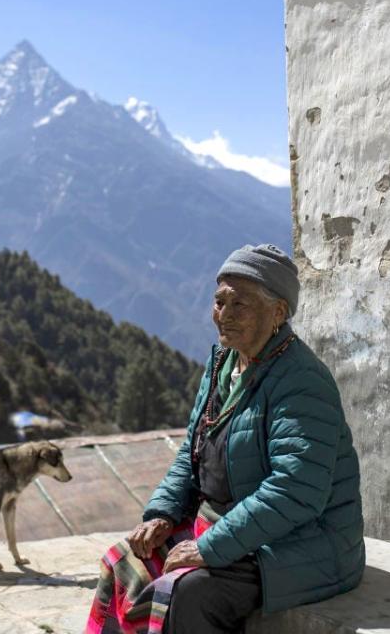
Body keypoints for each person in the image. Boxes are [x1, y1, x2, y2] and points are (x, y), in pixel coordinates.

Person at [86, 244, 365, 634]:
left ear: (278, 313)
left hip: (296, 544)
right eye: (219, 302)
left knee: (185, 593)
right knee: (122, 562)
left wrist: (209, 548)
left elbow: (296, 489)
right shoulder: (225, 362)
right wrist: (163, 513)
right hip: (229, 528)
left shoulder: (301, 382)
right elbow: (192, 451)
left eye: (240, 306)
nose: (224, 316)